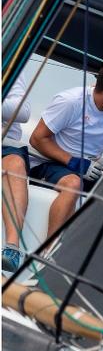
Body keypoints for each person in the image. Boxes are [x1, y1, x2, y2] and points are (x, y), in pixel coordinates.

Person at [29, 61, 103, 238]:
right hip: (51, 162)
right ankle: (48, 250)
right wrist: (74, 162)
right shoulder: (71, 101)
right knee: (74, 184)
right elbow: (37, 138)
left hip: (89, 168)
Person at [2, 71, 32, 272]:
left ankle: (12, 248)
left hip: (4, 143)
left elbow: (24, 112)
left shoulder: (8, 62)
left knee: (16, 164)